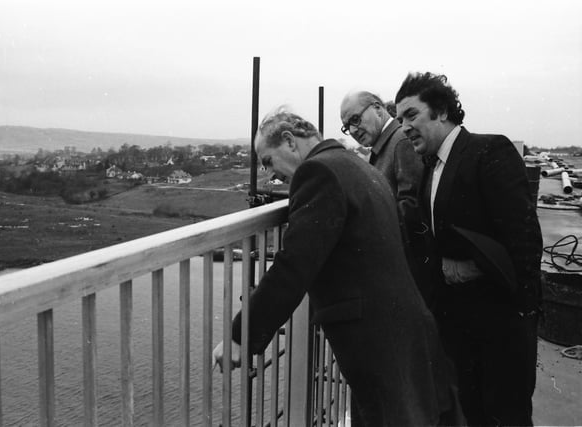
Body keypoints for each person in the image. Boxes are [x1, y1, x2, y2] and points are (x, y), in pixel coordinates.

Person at [213, 107, 463, 426]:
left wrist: (240, 337)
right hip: (404, 332)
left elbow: (294, 266)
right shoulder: (357, 165)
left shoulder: (318, 173)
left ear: (289, 141)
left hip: (377, 343)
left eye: (268, 161)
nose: (270, 175)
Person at [395, 72, 543, 426]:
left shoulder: (489, 150)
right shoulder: (429, 168)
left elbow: (524, 239)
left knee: (506, 415)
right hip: (458, 328)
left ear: (442, 110)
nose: (404, 128)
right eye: (400, 120)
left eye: (411, 115)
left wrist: (520, 315)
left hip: (501, 326)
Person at [340, 91, 432, 305]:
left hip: (408, 274)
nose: (353, 130)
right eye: (347, 126)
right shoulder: (386, 145)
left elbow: (411, 209)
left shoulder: (400, 142)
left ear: (378, 108)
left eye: (356, 119)